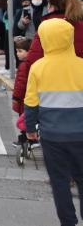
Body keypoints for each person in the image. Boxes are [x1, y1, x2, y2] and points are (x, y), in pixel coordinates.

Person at [24, 18, 83, 226]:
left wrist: (30, 129)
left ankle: (68, 222)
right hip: (81, 135)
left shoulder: (38, 67)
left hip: (52, 137)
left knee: (60, 182)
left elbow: (31, 102)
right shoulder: (81, 65)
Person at [12, 0, 83, 113]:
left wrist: (18, 98)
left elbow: (31, 63)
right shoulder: (81, 26)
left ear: (52, 7)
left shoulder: (47, 28)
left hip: (49, 94)